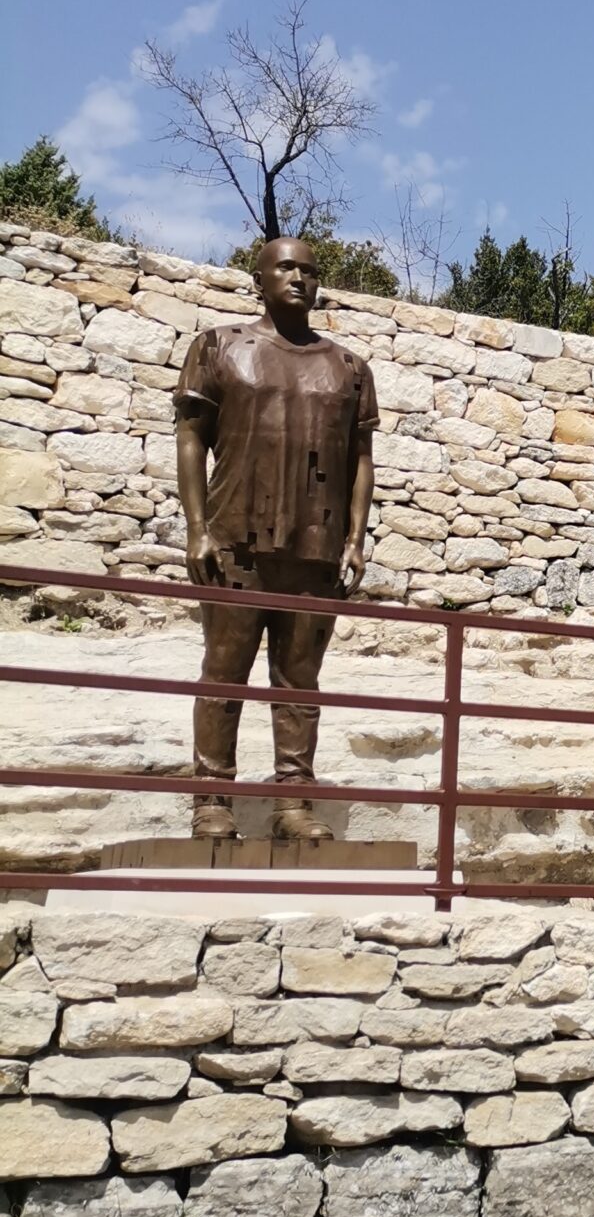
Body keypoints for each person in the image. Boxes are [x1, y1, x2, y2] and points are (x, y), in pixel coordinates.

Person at [172, 236, 378, 843]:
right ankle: (212, 799)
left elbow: (361, 458)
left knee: (299, 681)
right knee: (223, 673)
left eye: (309, 270)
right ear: (258, 279)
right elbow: (191, 438)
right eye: (285, 267)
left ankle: (293, 801)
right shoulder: (219, 347)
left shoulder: (348, 368)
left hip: (316, 546)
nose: (298, 278)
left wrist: (355, 538)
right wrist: (196, 529)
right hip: (234, 539)